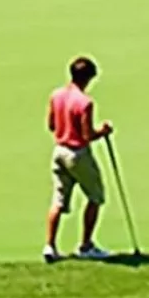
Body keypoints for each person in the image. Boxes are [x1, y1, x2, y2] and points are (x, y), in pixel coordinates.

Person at [44, 56, 113, 263]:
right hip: (78, 154)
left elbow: (51, 126)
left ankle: (50, 246)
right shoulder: (85, 103)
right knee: (95, 197)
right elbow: (87, 135)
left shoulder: (56, 95)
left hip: (58, 152)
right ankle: (86, 245)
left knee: (58, 201)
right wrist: (103, 131)